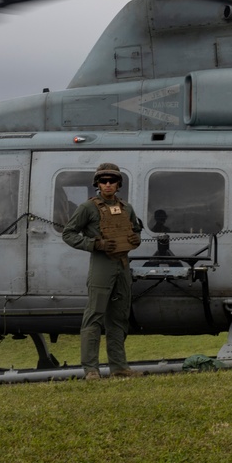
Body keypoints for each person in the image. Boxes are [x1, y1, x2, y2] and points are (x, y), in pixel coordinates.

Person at [62, 163, 143, 380]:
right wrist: (94, 245)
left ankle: (119, 367)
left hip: (123, 267)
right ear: (97, 184)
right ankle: (91, 370)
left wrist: (136, 240)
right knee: (94, 316)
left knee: (119, 318)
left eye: (112, 181)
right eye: (103, 181)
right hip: (101, 266)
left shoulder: (127, 208)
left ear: (118, 184)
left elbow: (134, 232)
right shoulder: (87, 208)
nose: (107, 184)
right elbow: (68, 234)